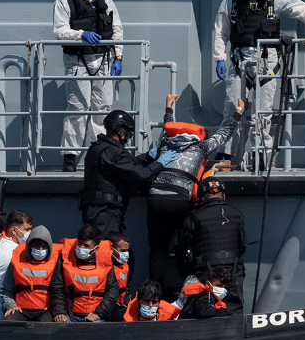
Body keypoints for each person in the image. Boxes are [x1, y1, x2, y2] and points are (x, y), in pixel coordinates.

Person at [213, 0, 305, 170]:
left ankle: (260, 154)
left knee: (262, 113)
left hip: (267, 64)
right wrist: (219, 58)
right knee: (231, 109)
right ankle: (225, 155)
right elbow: (221, 30)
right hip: (239, 62)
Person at [145, 93, 245, 296]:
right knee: (189, 247)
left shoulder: (167, 141)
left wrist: (168, 107)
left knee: (158, 251)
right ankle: (190, 291)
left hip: (155, 198)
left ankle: (155, 297)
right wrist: (239, 111)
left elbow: (168, 127)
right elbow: (223, 134)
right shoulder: (201, 145)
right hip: (179, 200)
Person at [54, 0, 124, 173]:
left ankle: (102, 155)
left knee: (103, 108)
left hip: (103, 58)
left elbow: (117, 27)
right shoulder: (64, 0)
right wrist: (81, 34)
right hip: (77, 60)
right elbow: (59, 31)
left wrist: (118, 55)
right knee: (77, 109)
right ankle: (70, 158)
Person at [80, 109, 164, 237]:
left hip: (96, 209)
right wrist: (160, 163)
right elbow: (141, 174)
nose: (127, 139)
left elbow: (126, 164)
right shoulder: (113, 151)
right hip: (106, 212)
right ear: (121, 133)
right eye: (128, 135)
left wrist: (148, 157)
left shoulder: (97, 147)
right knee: (106, 246)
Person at [175, 177, 246, 315]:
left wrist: (185, 272)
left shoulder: (193, 218)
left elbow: (181, 248)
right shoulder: (238, 214)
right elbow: (242, 246)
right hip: (234, 268)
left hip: (205, 271)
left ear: (201, 197)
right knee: (235, 310)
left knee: (206, 310)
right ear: (223, 195)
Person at [51, 224, 121, 322]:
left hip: (96, 316)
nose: (81, 247)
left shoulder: (105, 260)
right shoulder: (64, 258)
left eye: (86, 245)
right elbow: (57, 287)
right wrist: (59, 312)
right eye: (80, 243)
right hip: (69, 314)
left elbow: (112, 290)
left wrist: (99, 313)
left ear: (95, 249)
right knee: (60, 327)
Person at [1, 225, 59, 322]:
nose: (40, 250)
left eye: (44, 246)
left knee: (48, 325)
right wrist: (11, 305)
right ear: (29, 246)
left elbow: (60, 291)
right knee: (9, 320)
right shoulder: (16, 262)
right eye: (36, 246)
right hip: (20, 310)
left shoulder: (56, 263)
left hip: (45, 311)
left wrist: (54, 307)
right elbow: (5, 290)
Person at [106, 229, 132, 320]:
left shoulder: (124, 266)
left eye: (127, 250)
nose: (126, 254)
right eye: (122, 251)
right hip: (109, 308)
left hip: (122, 304)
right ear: (111, 249)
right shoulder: (104, 267)